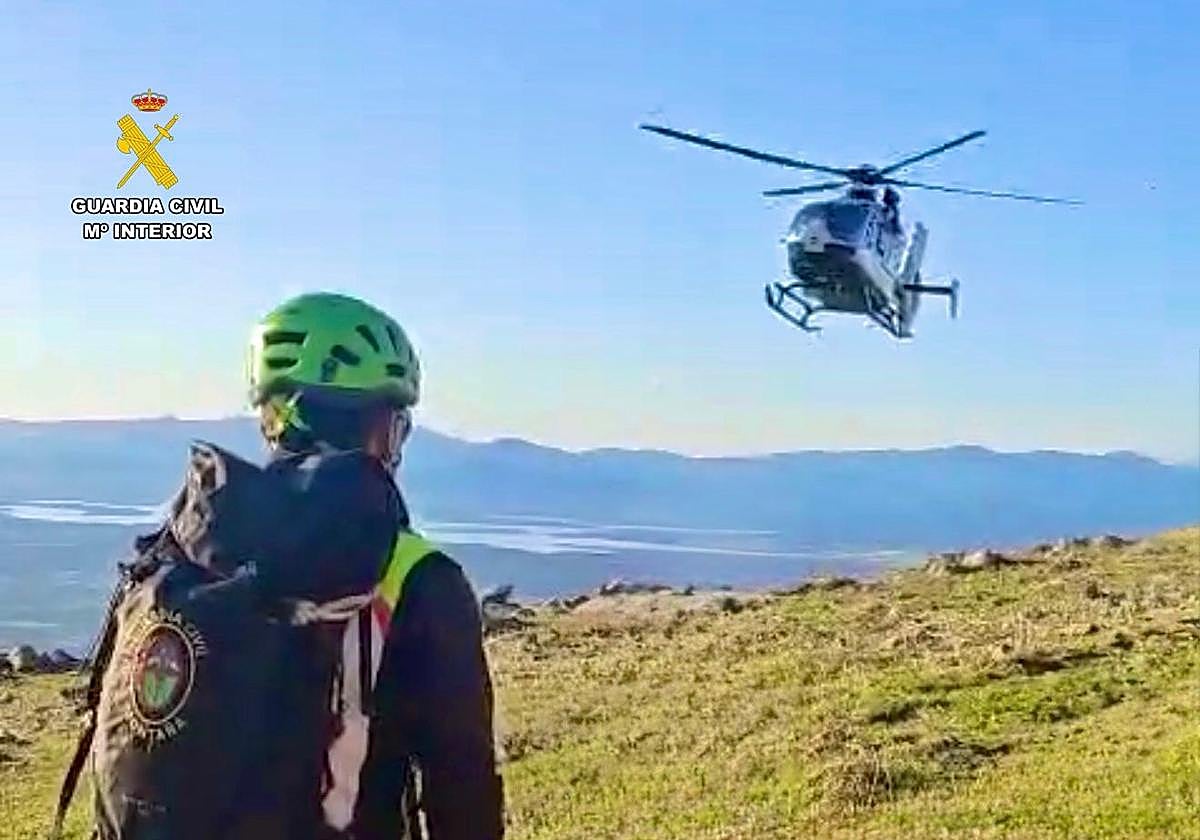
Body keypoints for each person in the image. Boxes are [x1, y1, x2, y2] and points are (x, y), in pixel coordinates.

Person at [245, 292, 505, 839]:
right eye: (401, 426)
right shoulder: (419, 577)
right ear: (383, 430)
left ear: (272, 420)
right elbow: (462, 788)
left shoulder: (198, 546)